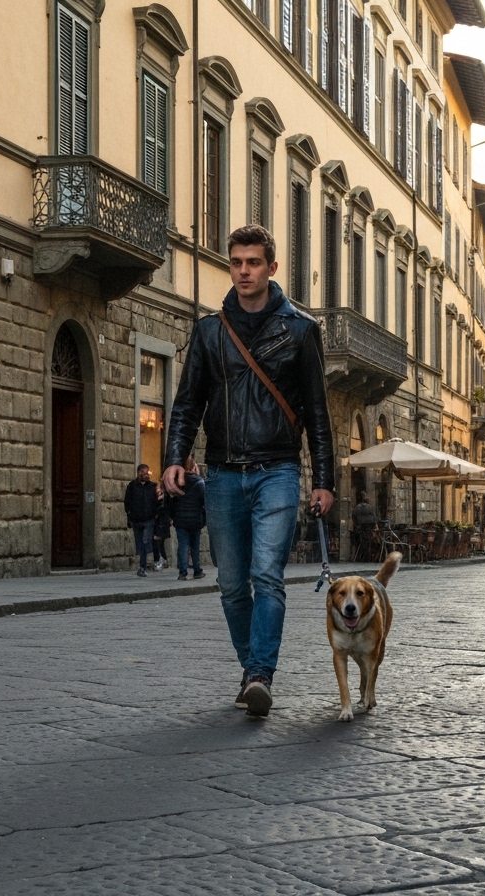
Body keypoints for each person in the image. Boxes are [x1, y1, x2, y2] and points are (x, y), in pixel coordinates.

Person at [161, 224, 335, 718]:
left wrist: (323, 480)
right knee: (232, 584)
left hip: (277, 471)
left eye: (253, 262)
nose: (243, 271)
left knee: (267, 576)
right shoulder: (209, 331)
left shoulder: (301, 331)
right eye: (236, 262)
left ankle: (261, 674)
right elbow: (188, 402)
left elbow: (318, 414)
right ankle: (250, 666)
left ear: (272, 268)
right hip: (221, 474)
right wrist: (175, 456)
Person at [124, 464, 159, 577]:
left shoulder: (153, 486)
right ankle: (143, 566)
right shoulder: (132, 486)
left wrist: (156, 513)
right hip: (136, 519)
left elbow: (158, 501)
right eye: (142, 472)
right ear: (138, 473)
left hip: (149, 519)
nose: (145, 475)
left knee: (146, 541)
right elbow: (127, 502)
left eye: (147, 473)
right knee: (140, 543)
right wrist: (129, 514)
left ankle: (146, 564)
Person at [170, 469, 206, 581]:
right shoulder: (200, 483)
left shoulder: (176, 483)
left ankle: (182, 572)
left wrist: (174, 518)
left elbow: (171, 503)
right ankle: (197, 570)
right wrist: (203, 520)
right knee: (195, 546)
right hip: (195, 519)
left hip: (180, 519)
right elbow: (204, 503)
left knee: (183, 546)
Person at [151, 483, 171, 571]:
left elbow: (164, 510)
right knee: (159, 542)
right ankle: (164, 559)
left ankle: (160, 560)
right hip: (158, 522)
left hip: (162, 522)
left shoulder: (164, 499)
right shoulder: (156, 498)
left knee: (157, 540)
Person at [351, 491, 377, 561]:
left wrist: (356, 525)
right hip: (368, 530)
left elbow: (353, 517)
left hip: (361, 530)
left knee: (358, 541)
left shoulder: (357, 508)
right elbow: (375, 518)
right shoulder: (370, 508)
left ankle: (358, 555)